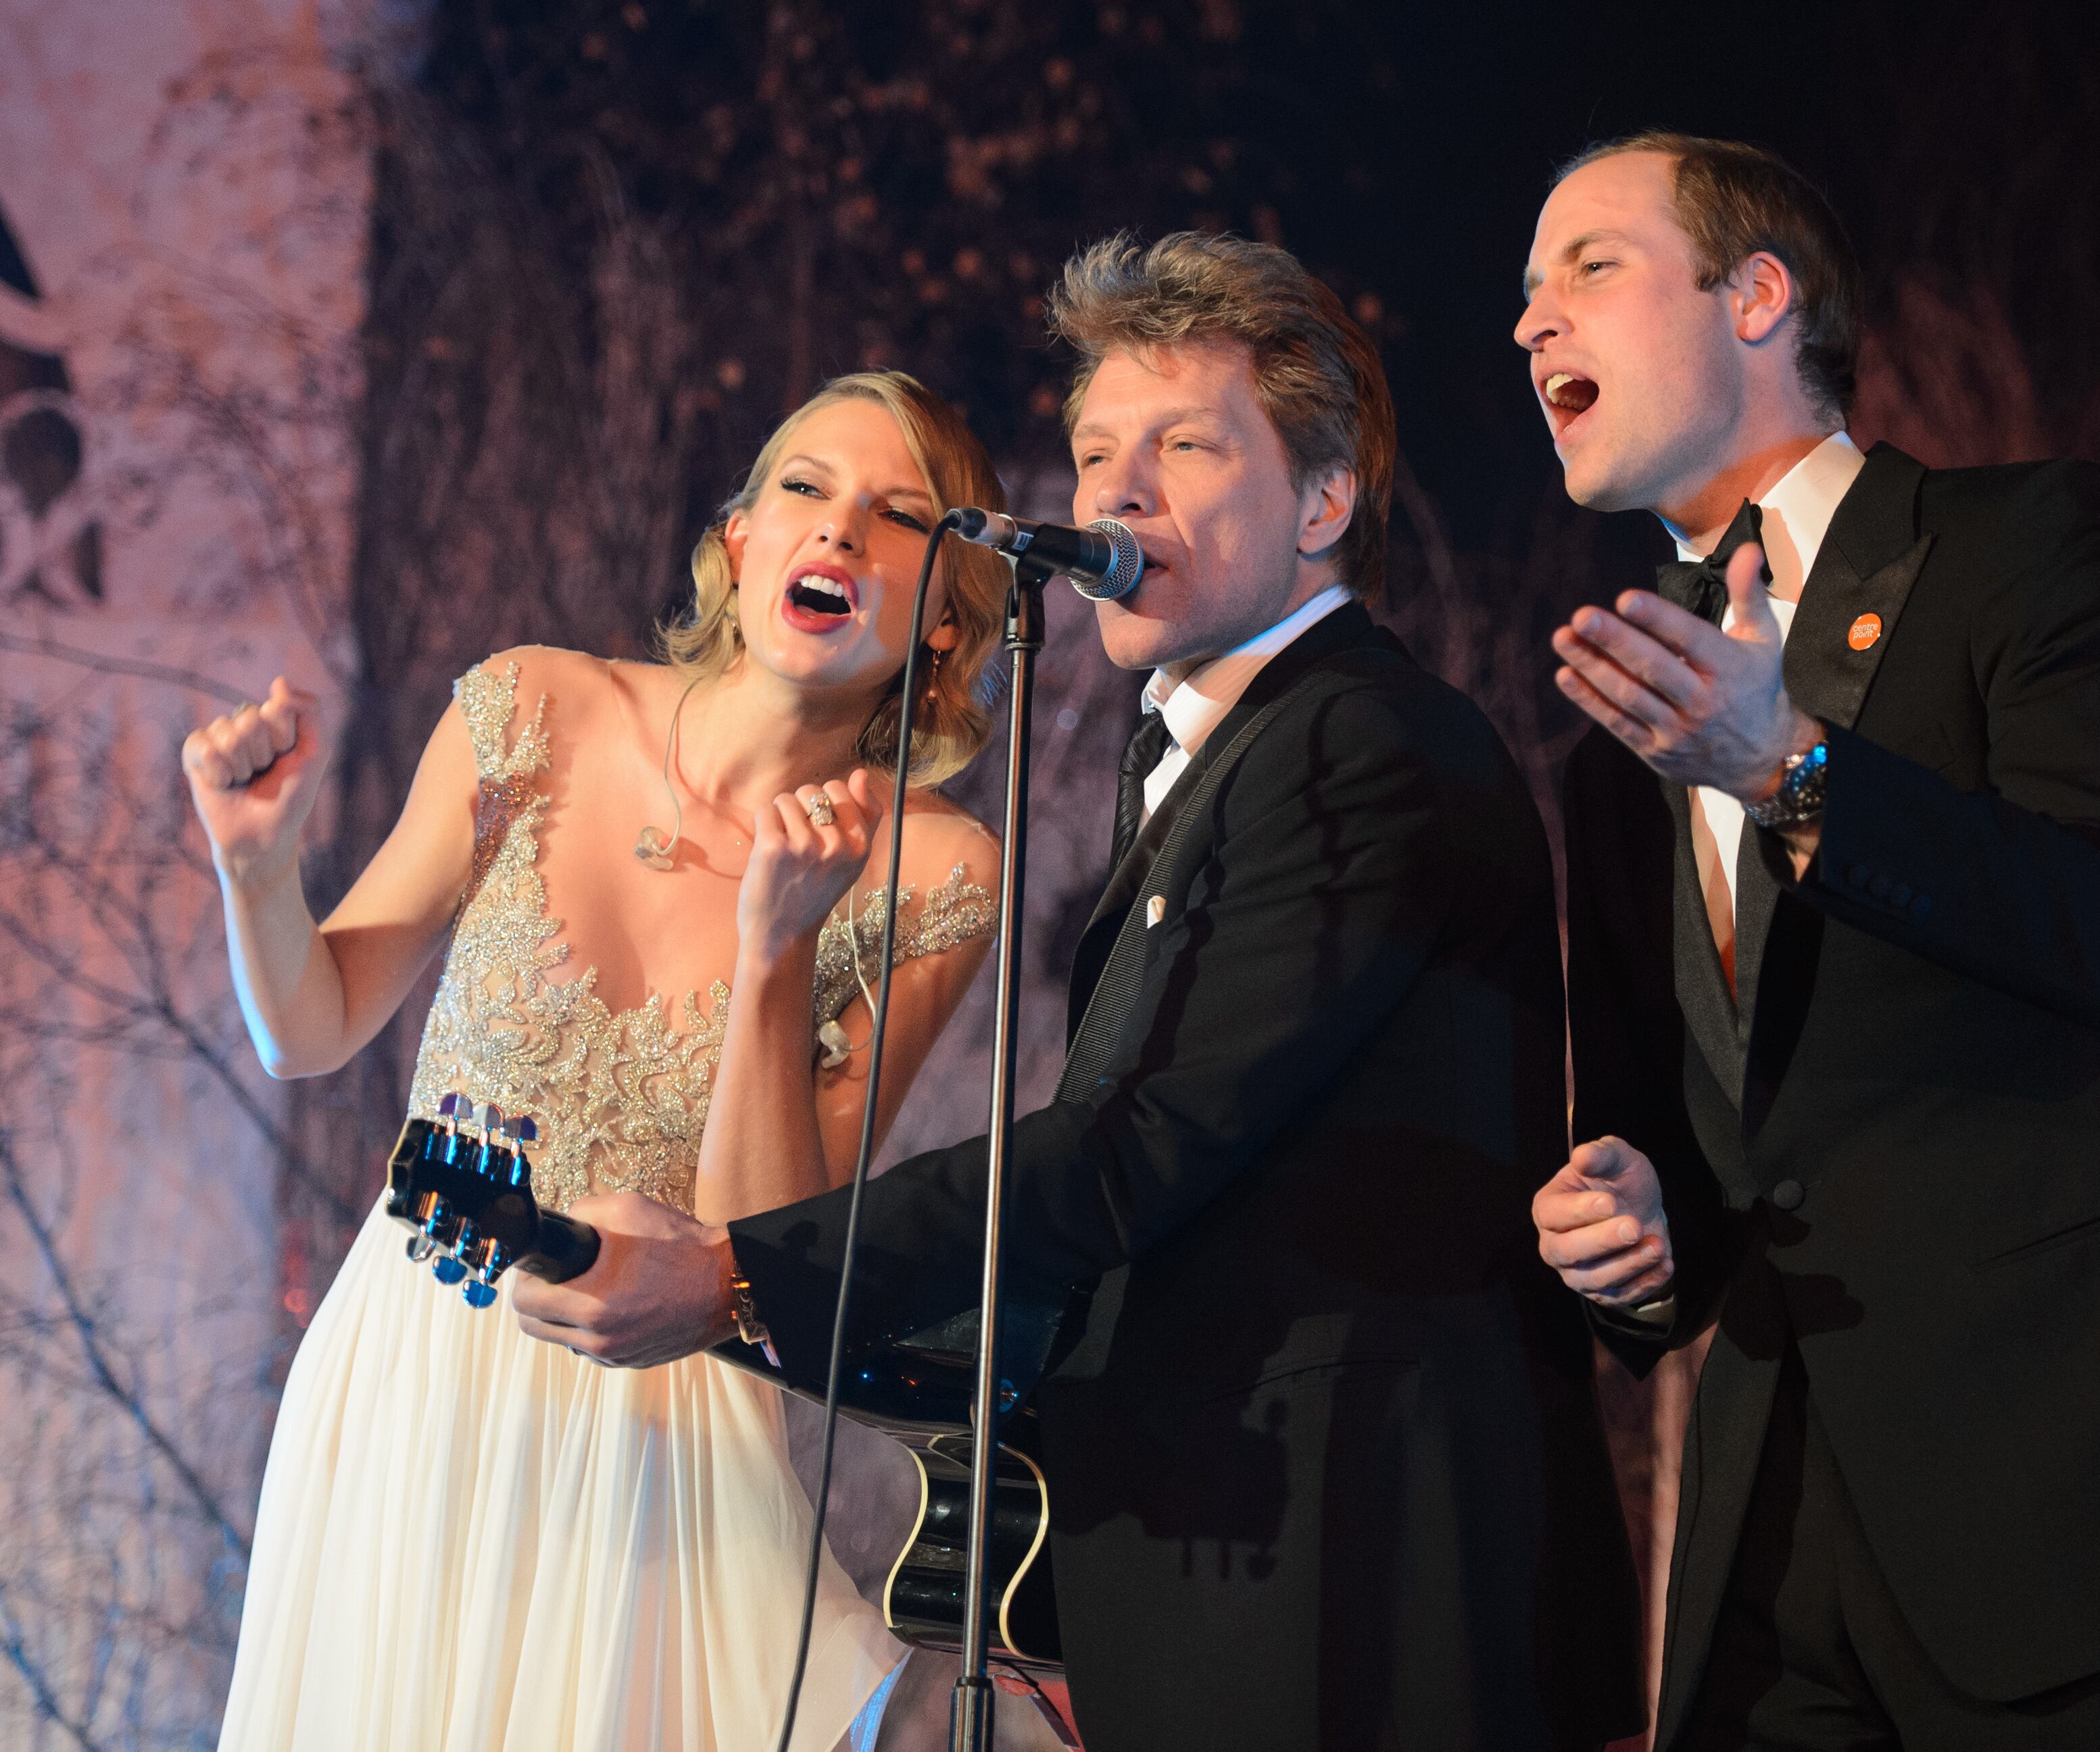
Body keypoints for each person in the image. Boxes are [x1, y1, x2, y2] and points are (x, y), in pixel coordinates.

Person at [511, 231, 1644, 1752]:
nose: (1114, 490)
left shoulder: (1359, 745)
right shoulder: (1213, 750)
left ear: (1323, 503)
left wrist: (738, 1273)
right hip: (1238, 1561)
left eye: (1184, 445)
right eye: (1097, 448)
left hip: (1353, 1591)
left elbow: (1140, 1146)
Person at [1519, 135, 2100, 1749]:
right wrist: (1621, 1228)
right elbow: (1674, 1156)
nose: (1532, 325)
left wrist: (1790, 773)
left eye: (1586, 269)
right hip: (1765, 1557)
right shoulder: (1611, 747)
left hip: (2072, 1510)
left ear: (1758, 296)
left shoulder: (2028, 547)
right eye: (1521, 298)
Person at [193, 370, 1023, 1751]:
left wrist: (773, 953)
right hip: (413, 1378)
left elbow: (772, 1242)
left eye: (897, 520)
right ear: (741, 541)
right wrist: (253, 872)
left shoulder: (937, 869)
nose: (837, 535)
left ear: (946, 614)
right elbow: (310, 1025)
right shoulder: (536, 708)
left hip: (667, 1432)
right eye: (805, 492)